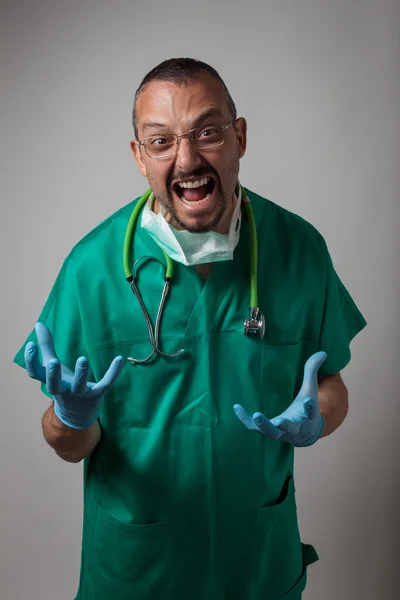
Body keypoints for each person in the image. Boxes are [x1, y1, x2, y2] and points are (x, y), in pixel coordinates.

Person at [13, 57, 366, 600]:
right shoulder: (92, 267)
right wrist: (69, 416)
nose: (187, 159)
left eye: (207, 133)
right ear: (138, 156)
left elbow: (331, 385)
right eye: (161, 142)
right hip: (138, 571)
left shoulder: (299, 249)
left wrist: (318, 418)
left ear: (239, 137)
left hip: (255, 564)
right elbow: (68, 444)